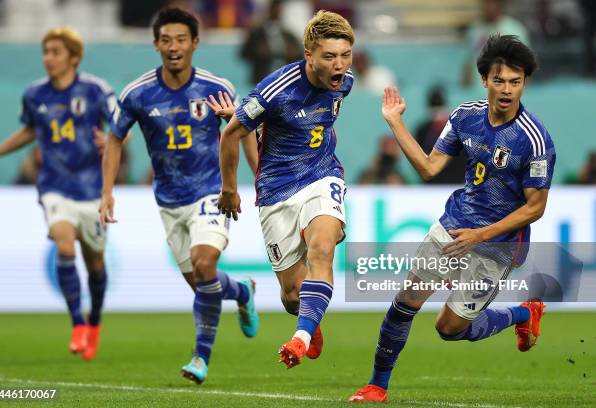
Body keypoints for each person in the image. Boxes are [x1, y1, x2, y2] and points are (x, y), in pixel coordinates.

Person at [350, 34, 555, 402]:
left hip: (498, 245)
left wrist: (481, 236)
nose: (506, 89)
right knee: (405, 300)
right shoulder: (465, 117)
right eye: (499, 80)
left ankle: (523, 314)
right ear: (484, 80)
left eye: (515, 81)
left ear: (524, 82)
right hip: (454, 224)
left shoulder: (535, 140)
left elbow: (535, 208)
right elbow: (429, 168)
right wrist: (395, 122)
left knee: (450, 328)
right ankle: (377, 385)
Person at [99, 7, 259, 385]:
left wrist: (259, 176)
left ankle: (200, 359)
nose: (174, 47)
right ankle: (243, 292)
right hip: (169, 201)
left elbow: (243, 128)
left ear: (195, 43)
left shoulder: (215, 87)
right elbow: (114, 138)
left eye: (181, 39)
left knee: (204, 266)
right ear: (156, 44)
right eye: (166, 40)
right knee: (205, 284)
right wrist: (107, 191)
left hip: (211, 192)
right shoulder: (137, 93)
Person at [218, 10, 354, 368]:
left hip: (323, 177)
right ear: (308, 55)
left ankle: (300, 337)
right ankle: (309, 317)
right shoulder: (274, 91)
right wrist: (230, 189)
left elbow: (324, 125)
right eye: (329, 57)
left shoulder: (345, 82)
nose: (339, 65)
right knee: (293, 295)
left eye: (345, 56)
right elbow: (233, 133)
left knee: (321, 248)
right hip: (277, 191)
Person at [0, 27, 116, 360]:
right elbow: (31, 130)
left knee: (96, 263)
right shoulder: (34, 95)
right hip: (55, 185)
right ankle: (77, 324)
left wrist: (113, 140)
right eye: (45, 52)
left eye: (56, 52)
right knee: (62, 240)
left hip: (92, 189)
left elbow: (121, 129)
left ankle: (95, 323)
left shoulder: (96, 90)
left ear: (73, 57)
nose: (48, 58)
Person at [461, 0, 530, 87]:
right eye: (487, 3)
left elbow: (526, 67)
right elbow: (467, 64)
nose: (490, 7)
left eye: (493, 3)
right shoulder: (474, 30)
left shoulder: (515, 30)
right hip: (478, 91)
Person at [239, 0, 302, 85]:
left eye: (279, 9)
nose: (277, 11)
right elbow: (244, 53)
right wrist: (257, 51)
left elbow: (300, 56)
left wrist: (294, 53)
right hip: (260, 81)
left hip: (284, 83)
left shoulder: (288, 34)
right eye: (275, 8)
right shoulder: (257, 33)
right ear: (268, 9)